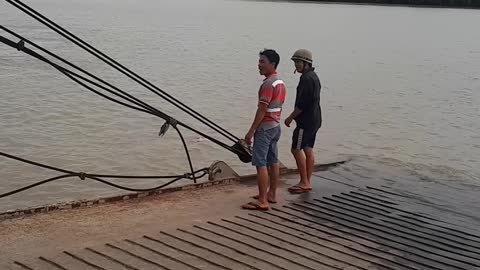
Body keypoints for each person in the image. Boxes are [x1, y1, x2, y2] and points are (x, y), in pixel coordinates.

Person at [242, 49, 286, 211]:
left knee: (260, 164)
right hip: (275, 126)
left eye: (262, 62)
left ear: (272, 64)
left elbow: (262, 110)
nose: (259, 65)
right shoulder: (279, 82)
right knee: (273, 161)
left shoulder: (267, 84)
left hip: (265, 128)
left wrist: (251, 131)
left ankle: (262, 201)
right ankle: (272, 194)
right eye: (259, 61)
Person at [284, 49, 322, 194]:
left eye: (298, 62)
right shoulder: (313, 76)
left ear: (306, 63)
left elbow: (302, 104)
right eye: (295, 62)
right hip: (315, 119)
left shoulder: (306, 79)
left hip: (305, 122)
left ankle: (304, 182)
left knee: (296, 148)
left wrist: (290, 117)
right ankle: (307, 180)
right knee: (307, 148)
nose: (296, 65)